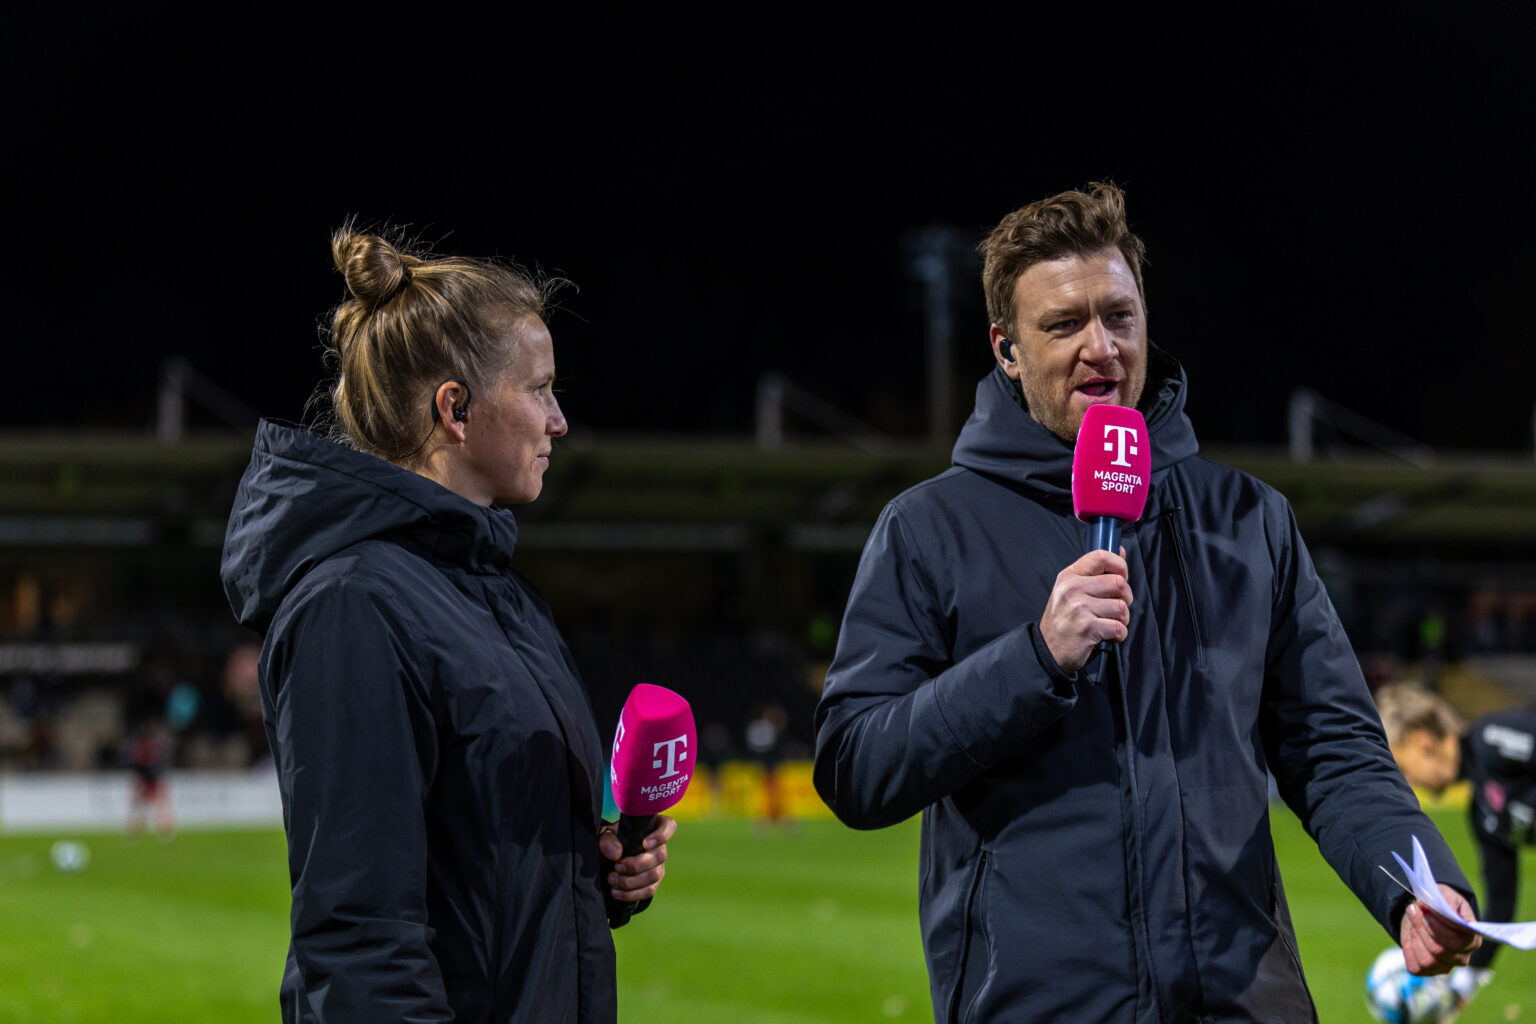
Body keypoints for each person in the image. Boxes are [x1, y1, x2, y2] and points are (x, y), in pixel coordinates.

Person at [813, 184, 1482, 1022]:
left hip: (1246, 1003)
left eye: (1119, 317)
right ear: (1007, 350)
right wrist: (1033, 658)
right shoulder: (928, 529)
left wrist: (1417, 881)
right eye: (1064, 324)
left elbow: (1335, 748)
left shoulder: (1249, 519)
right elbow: (855, 766)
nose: (1101, 347)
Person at [221, 227, 675, 1023]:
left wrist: (596, 871)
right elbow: (361, 939)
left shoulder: (503, 595)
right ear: (455, 408)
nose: (559, 420)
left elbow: (477, 875)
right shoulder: (352, 605)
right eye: (540, 389)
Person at [1377, 683, 1535, 979]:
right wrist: (1465, 981)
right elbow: (1501, 904)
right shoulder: (1483, 813)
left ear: (1422, 741)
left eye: (1403, 768)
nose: (1409, 782)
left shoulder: (1492, 737)